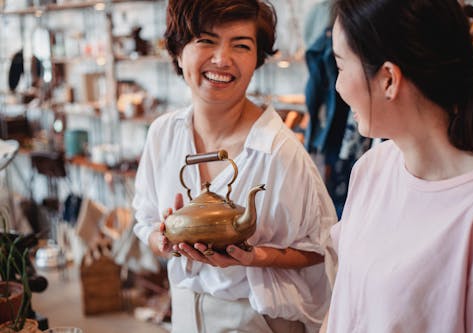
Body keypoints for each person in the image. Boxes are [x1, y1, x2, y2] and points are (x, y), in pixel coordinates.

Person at [132, 1, 337, 332]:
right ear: (179, 50)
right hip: (185, 311)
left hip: (256, 319)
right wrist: (165, 240)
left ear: (257, 59)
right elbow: (145, 221)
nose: (222, 59)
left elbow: (319, 248)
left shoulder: (278, 150)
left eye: (241, 45)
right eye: (206, 40)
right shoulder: (163, 134)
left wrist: (255, 257)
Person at [321, 0, 473, 332]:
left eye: (342, 66)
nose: (337, 86)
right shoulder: (371, 169)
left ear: (388, 78)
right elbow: (343, 304)